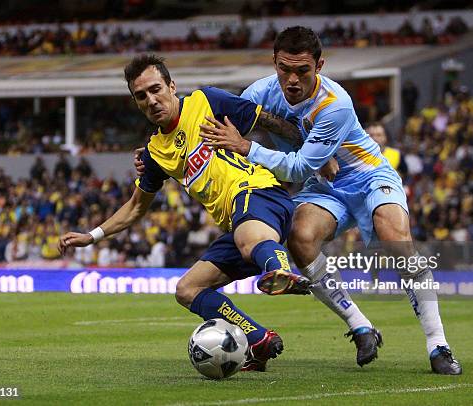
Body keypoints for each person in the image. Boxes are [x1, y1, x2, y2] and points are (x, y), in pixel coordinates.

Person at [199, 26, 462, 375]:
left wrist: (248, 146)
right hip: (323, 188)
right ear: (274, 63)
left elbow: (297, 167)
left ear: (319, 65)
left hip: (368, 176)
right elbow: (212, 128)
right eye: (284, 69)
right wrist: (157, 154)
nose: (292, 79)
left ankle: (438, 345)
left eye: (302, 71)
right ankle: (360, 326)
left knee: (396, 241)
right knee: (301, 238)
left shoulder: (334, 103)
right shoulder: (260, 93)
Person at [59, 54, 312, 372]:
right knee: (187, 289)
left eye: (155, 89)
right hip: (239, 221)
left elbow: (265, 121)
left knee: (250, 239)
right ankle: (258, 340)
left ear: (171, 86)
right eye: (141, 96)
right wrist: (92, 235)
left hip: (259, 193)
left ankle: (280, 270)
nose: (151, 100)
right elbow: (137, 206)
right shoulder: (154, 152)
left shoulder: (205, 101)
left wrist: (311, 145)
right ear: (136, 102)